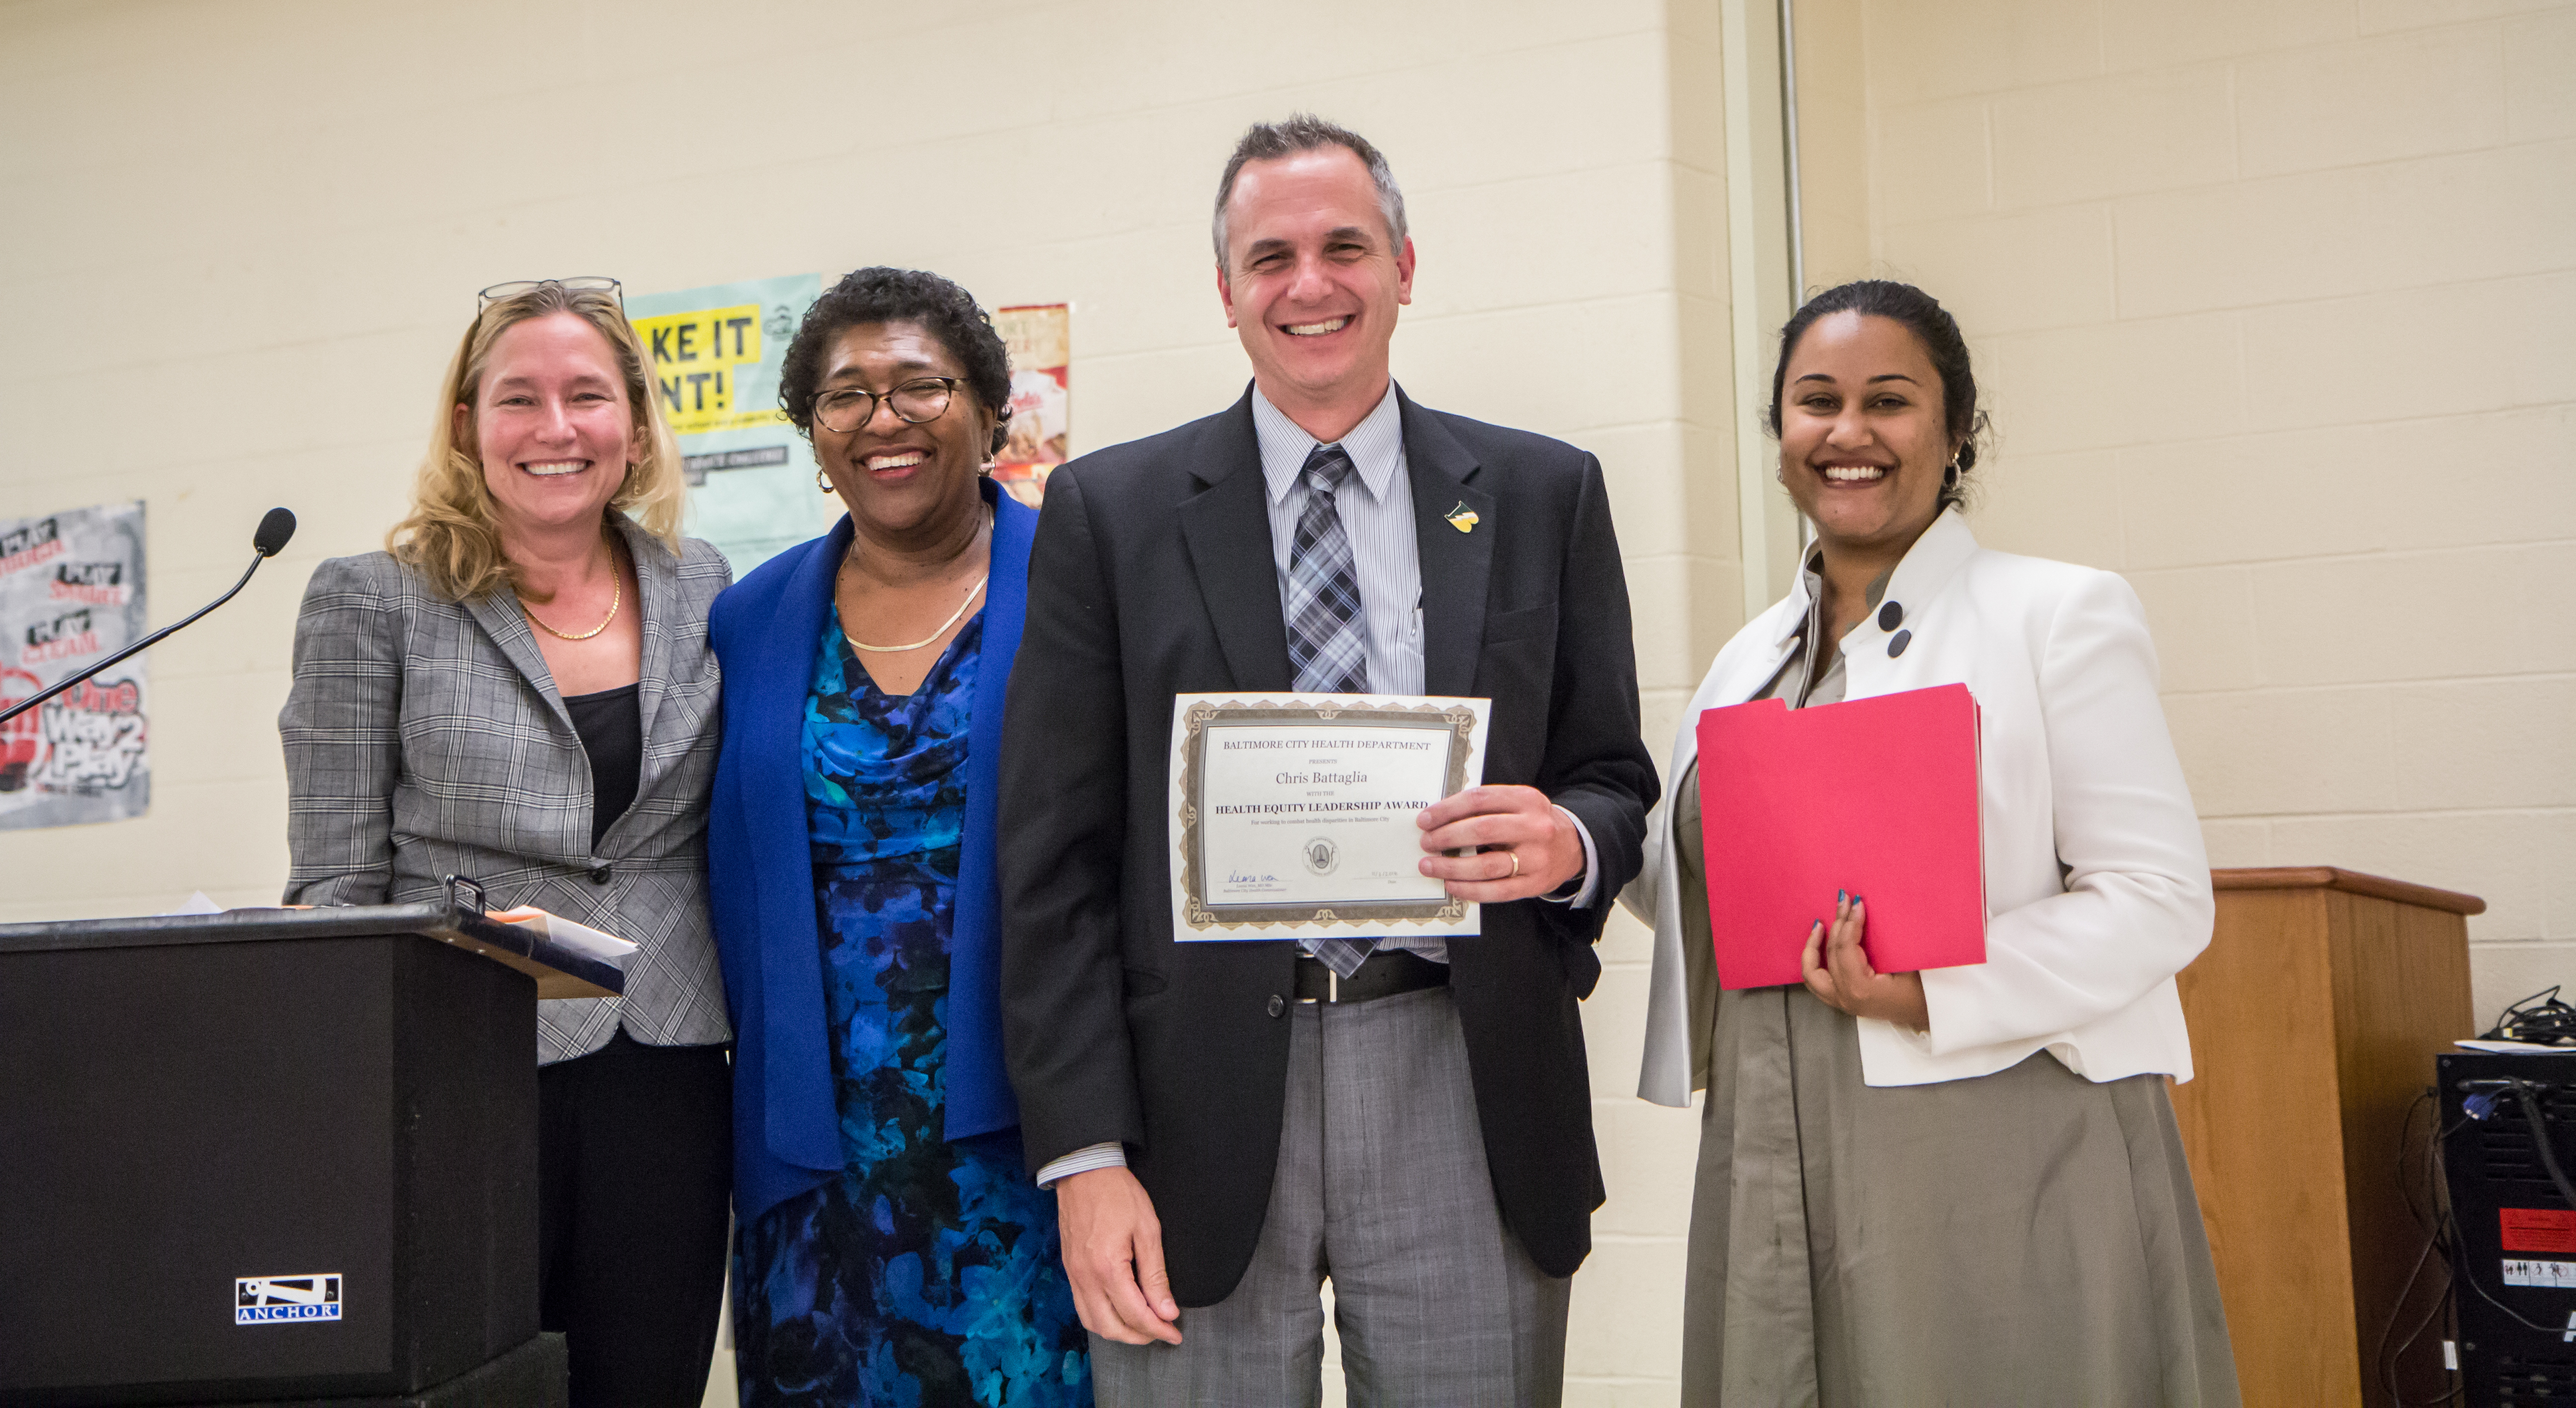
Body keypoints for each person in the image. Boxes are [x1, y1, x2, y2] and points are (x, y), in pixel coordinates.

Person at [998, 115, 1659, 1407]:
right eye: (1273, 257)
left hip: (1460, 1068)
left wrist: (1570, 841)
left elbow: (1612, 776)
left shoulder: (1540, 492)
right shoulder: (1110, 514)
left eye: (1345, 247)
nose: (1311, 285)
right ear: (1228, 294)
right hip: (1191, 1102)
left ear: (1406, 265)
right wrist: (1084, 1156)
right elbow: (1051, 865)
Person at [1626, 280, 2241, 1405]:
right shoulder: (1744, 662)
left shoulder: (2057, 614)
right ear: (1779, 439)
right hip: (1771, 1129)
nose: (1848, 432)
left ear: (1956, 433)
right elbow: (1710, 895)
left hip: (1996, 1125)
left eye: (1889, 402)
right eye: (1816, 401)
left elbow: (2158, 897)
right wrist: (1581, 835)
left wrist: (1929, 992)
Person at [280, 278, 733, 1406]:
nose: (555, 428)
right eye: (518, 398)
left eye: (587, 396)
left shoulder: (704, 587)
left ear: (633, 424)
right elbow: (334, 886)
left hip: (667, 1070)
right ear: (466, 426)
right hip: (468, 1078)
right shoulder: (373, 601)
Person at [705, 267, 1091, 1406]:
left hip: (1028, 1140)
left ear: (990, 409)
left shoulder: (1077, 581)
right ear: (813, 433)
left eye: (921, 385)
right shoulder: (752, 617)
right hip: (812, 1155)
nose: (884, 418)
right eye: (845, 395)